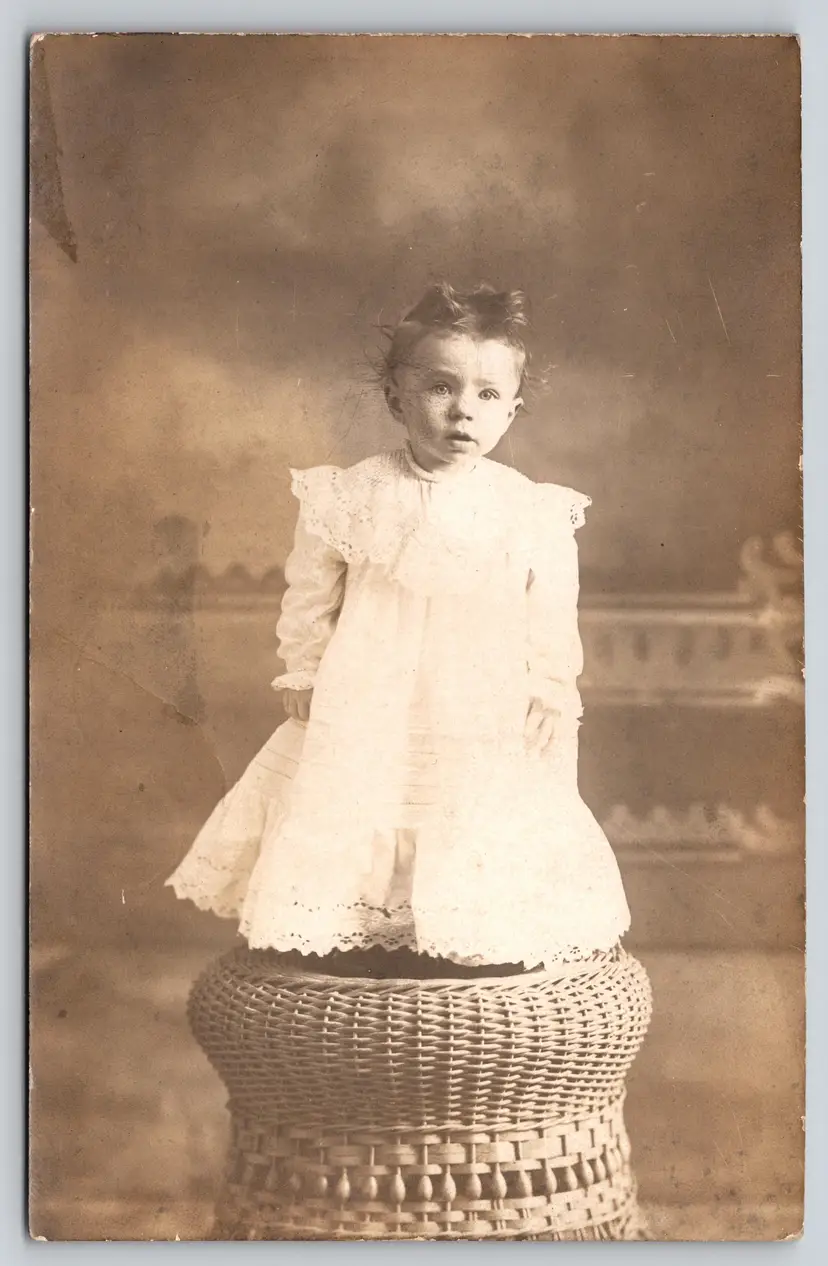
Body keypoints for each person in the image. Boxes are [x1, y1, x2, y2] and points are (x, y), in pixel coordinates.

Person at [166, 282, 630, 974]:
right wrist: (303, 667)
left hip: (479, 695)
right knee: (360, 788)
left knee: (472, 802)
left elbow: (550, 614)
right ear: (395, 398)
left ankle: (467, 935)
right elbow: (309, 593)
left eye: (486, 395)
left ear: (511, 409)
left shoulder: (528, 510)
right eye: (440, 388)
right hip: (370, 688)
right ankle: (358, 928)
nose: (462, 411)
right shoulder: (350, 494)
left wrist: (550, 687)